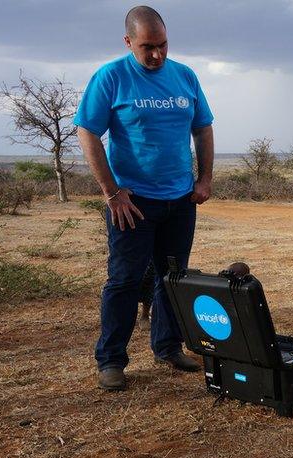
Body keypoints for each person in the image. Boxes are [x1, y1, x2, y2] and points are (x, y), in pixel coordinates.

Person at [74, 6, 215, 391]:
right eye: (147, 47)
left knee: (172, 278)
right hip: (133, 203)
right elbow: (87, 132)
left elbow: (203, 128)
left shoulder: (185, 76)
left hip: (180, 200)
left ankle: (168, 347)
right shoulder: (111, 77)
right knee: (124, 280)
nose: (157, 55)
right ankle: (111, 360)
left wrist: (204, 178)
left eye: (163, 45)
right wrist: (111, 192)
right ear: (128, 42)